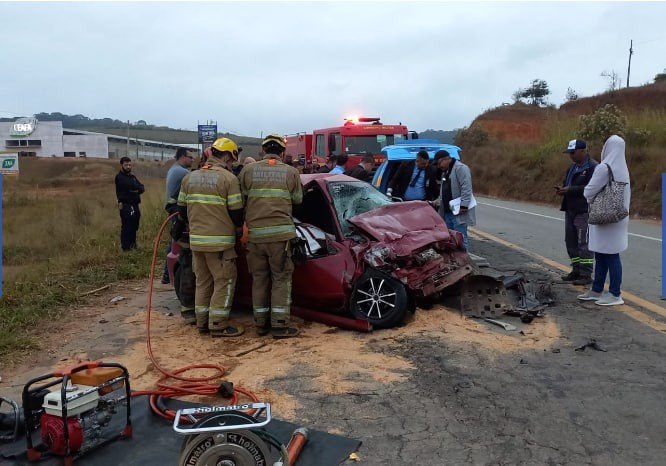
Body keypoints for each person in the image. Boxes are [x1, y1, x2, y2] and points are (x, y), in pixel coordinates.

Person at [177, 137, 245, 336]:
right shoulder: (228, 179)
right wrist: (238, 230)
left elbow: (181, 211)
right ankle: (218, 324)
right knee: (224, 281)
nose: (232, 163)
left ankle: (202, 323)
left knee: (203, 282)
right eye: (232, 159)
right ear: (225, 156)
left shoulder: (190, 177)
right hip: (220, 244)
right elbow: (236, 214)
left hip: (197, 241)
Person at [239, 133, 303, 338]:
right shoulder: (291, 172)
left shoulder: (248, 171)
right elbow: (298, 200)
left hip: (256, 237)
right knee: (281, 279)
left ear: (263, 151)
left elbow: (240, 201)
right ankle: (279, 325)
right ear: (283, 152)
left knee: (259, 279)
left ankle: (260, 324)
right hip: (280, 238)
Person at [578, 135, 630, 306]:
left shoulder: (604, 168)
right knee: (604, 253)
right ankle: (597, 289)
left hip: (603, 216)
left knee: (609, 255)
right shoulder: (623, 169)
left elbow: (588, 192)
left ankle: (615, 294)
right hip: (617, 217)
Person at [556, 139, 597, 286]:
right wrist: (563, 190)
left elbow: (592, 188)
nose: (571, 156)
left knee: (583, 243)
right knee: (571, 242)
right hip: (570, 209)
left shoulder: (593, 167)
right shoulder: (572, 168)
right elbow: (568, 184)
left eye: (573, 153)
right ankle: (576, 270)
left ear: (583, 151)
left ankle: (586, 274)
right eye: (569, 153)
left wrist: (570, 190)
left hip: (583, 210)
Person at [162, 148, 194, 284]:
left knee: (174, 240)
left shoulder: (173, 169)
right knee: (177, 242)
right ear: (182, 157)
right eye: (190, 157)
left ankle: (167, 274)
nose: (192, 160)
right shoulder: (183, 172)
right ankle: (168, 274)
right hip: (177, 210)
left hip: (172, 208)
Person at [435, 150, 476, 251]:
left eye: (438, 163)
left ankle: (463, 261)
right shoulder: (446, 171)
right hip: (448, 211)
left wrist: (464, 205)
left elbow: (466, 187)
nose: (439, 166)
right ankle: (454, 262)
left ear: (445, 159)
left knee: (460, 239)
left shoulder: (461, 168)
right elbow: (443, 190)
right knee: (450, 240)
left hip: (459, 211)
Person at [115, 157, 145, 251]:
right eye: (126, 165)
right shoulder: (120, 177)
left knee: (134, 225)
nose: (128, 167)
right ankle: (125, 248)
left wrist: (135, 190)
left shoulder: (132, 176)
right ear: (121, 165)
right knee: (127, 226)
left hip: (135, 204)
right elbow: (130, 187)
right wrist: (135, 189)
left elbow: (141, 187)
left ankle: (133, 245)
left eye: (129, 165)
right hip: (126, 205)